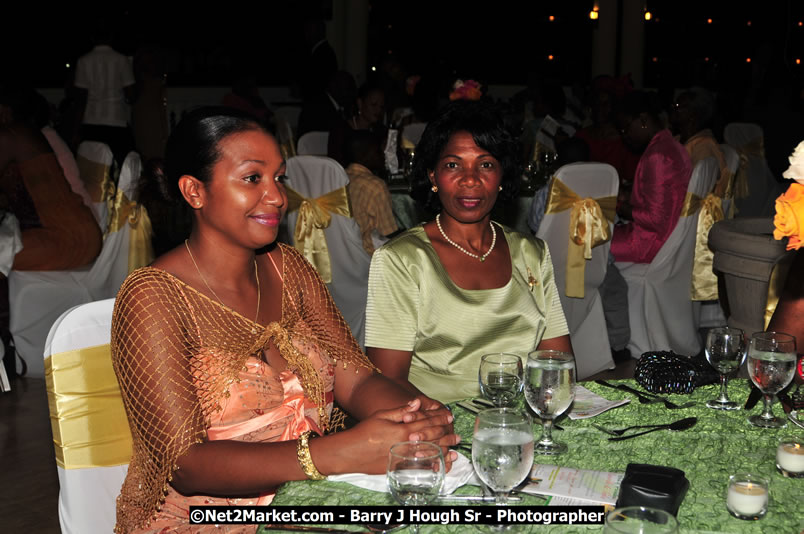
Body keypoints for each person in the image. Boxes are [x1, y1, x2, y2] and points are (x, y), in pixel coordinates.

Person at [110, 107, 457, 533]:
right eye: (252, 178)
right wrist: (336, 453)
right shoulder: (154, 296)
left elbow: (357, 380)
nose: (277, 196)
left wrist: (413, 417)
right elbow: (186, 464)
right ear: (194, 191)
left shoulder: (288, 268)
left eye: (279, 178)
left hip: (308, 500)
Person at [365, 100, 571, 404]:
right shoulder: (401, 260)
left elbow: (557, 363)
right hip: (434, 421)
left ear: (501, 176)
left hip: (523, 417)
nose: (470, 178)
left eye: (485, 164)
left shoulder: (533, 253)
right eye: (453, 165)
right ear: (433, 176)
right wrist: (447, 420)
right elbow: (387, 379)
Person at [611, 91, 692, 264]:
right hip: (667, 237)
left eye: (625, 128)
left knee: (586, 242)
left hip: (651, 244)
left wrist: (620, 207)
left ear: (643, 120)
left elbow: (656, 220)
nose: (624, 136)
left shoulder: (657, 155)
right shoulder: (672, 145)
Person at [73, 18, 136, 167]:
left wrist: (76, 128)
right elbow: (131, 95)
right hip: (116, 120)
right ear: (111, 37)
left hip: (91, 121)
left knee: (93, 167)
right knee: (118, 166)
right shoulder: (121, 60)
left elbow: (81, 99)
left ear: (92, 37)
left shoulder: (83, 61)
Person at [343, 129, 399, 255]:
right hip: (368, 254)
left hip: (345, 253)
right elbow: (389, 233)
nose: (383, 154)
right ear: (365, 155)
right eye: (378, 151)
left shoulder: (340, 179)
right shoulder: (374, 186)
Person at [671, 86, 729, 197]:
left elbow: (694, 194)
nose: (673, 108)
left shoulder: (704, 147)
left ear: (692, 115)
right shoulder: (677, 139)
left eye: (677, 106)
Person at [327, 82, 387, 165]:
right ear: (360, 103)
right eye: (374, 104)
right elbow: (335, 164)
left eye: (381, 106)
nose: (379, 110)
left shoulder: (381, 131)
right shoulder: (341, 130)